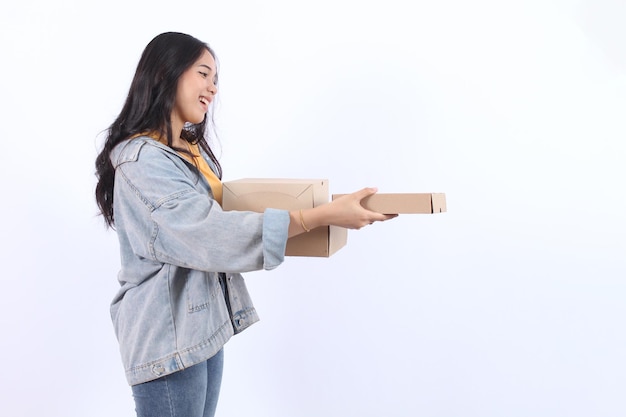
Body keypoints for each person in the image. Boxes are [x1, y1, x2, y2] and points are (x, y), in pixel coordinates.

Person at [95, 31, 396, 417]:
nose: (212, 88)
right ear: (167, 73)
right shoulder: (144, 161)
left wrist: (328, 210)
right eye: (203, 74)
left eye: (215, 79)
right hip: (167, 340)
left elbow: (228, 215)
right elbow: (209, 234)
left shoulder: (182, 155)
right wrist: (319, 217)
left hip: (198, 329)